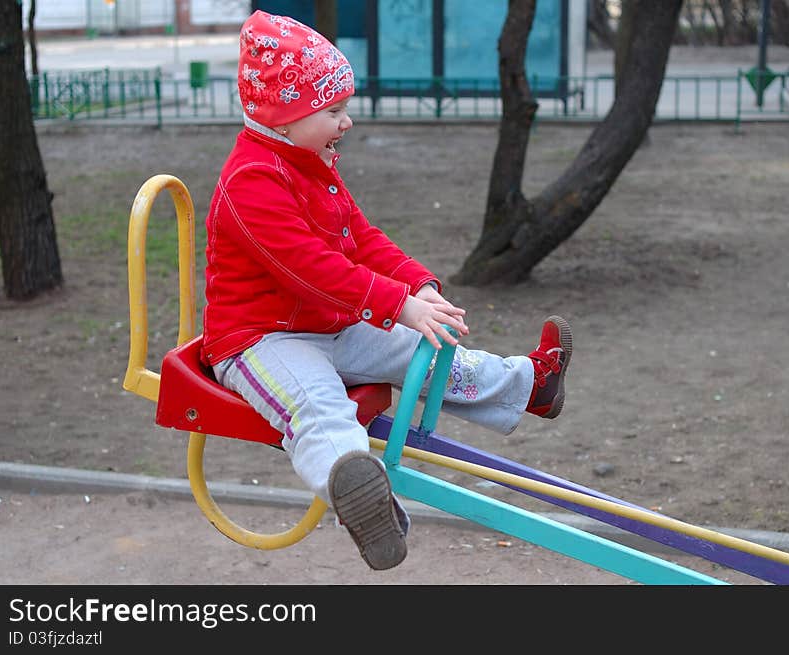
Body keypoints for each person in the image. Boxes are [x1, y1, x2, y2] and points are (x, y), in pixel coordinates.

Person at [202, 10, 574, 571]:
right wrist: (395, 304)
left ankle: (529, 387)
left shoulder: (309, 162)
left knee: (424, 352)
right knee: (315, 405)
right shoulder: (250, 182)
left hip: (327, 323)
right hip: (259, 339)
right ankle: (362, 496)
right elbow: (311, 269)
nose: (346, 121)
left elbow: (362, 239)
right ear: (283, 117)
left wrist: (417, 286)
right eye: (332, 110)